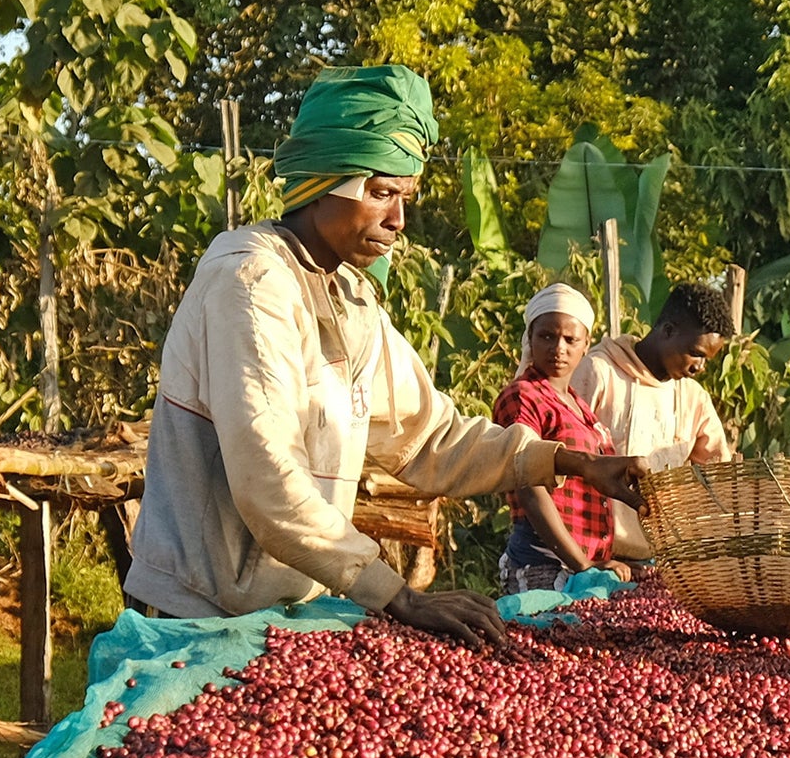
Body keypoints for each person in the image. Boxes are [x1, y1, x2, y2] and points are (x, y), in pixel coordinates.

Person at [126, 65, 644, 647]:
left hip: (286, 610)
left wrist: (573, 463)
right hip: (200, 613)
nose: (397, 219)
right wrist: (398, 596)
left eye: (404, 197)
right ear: (324, 181)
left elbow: (428, 438)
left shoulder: (350, 298)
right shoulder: (251, 283)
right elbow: (269, 478)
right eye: (380, 193)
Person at [573, 282, 736, 561]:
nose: (700, 368)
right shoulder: (599, 373)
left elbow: (718, 480)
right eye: (696, 353)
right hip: (590, 556)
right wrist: (587, 561)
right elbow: (561, 460)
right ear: (668, 331)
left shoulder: (693, 399)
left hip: (662, 561)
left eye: (707, 360)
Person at [491, 285, 628, 593]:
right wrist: (583, 565)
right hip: (545, 563)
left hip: (580, 561)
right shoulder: (522, 396)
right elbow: (530, 484)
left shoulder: (578, 406)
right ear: (530, 338)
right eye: (547, 337)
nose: (559, 348)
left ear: (586, 344)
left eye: (570, 339)